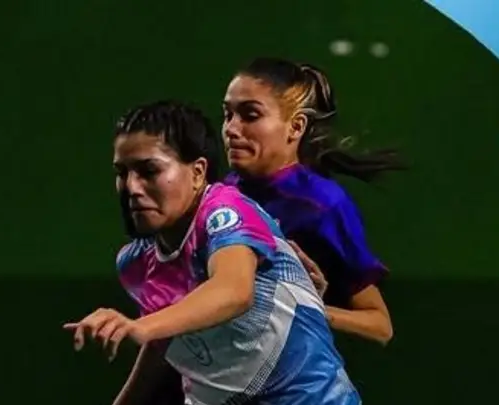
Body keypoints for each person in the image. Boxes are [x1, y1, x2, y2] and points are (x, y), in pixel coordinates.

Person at [64, 100, 361, 405]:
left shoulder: (226, 210)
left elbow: (234, 290)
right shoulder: (136, 263)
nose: (131, 187)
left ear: (197, 172)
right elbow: (166, 338)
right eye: (121, 172)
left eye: (149, 170)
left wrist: (140, 326)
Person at [221, 57, 406, 345]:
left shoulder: (323, 205)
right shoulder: (225, 191)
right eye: (227, 115)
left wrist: (306, 308)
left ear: (296, 127)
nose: (231, 128)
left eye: (250, 115)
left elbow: (380, 326)